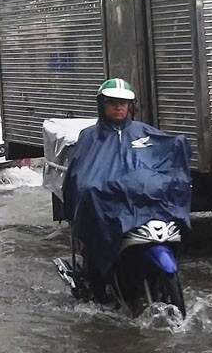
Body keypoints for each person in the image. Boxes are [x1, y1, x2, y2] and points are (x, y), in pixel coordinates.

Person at [62, 78, 192, 302]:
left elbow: (167, 156)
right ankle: (99, 283)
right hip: (109, 207)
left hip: (143, 208)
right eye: (113, 102)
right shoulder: (90, 137)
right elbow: (80, 175)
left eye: (123, 103)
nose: (119, 107)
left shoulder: (145, 133)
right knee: (90, 197)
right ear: (102, 105)